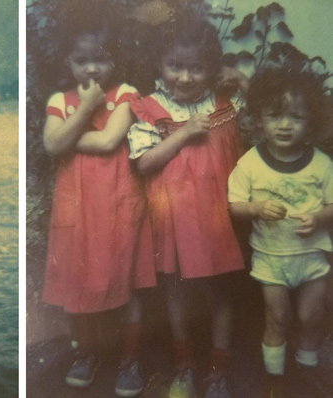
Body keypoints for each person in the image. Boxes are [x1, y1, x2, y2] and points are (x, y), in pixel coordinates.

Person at [127, 17, 249, 398]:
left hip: (218, 222)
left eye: (196, 67)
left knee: (220, 293)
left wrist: (243, 79)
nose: (184, 76)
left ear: (212, 68)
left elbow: (262, 106)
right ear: (160, 64)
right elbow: (144, 163)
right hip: (175, 223)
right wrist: (182, 135)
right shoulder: (151, 108)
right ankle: (183, 367)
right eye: (174, 66)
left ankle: (218, 370)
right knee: (177, 295)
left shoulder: (224, 102)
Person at [40, 11, 156, 396]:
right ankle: (88, 353)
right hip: (77, 204)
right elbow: (51, 145)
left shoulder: (125, 93)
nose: (92, 68)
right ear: (68, 62)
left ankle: (131, 356)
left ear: (115, 59)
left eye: (101, 58)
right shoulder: (60, 99)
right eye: (81, 60)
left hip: (117, 200)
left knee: (129, 281)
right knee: (80, 279)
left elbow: (108, 142)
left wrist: (74, 130)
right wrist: (87, 109)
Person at [228, 68, 333, 397]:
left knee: (312, 316)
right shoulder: (250, 164)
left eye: (296, 117)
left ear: (310, 122)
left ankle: (307, 367)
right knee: (278, 317)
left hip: (311, 256)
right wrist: (257, 208)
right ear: (259, 120)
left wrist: (318, 218)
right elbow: (235, 206)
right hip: (272, 258)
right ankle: (274, 377)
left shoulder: (321, 163)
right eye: (275, 116)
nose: (285, 125)